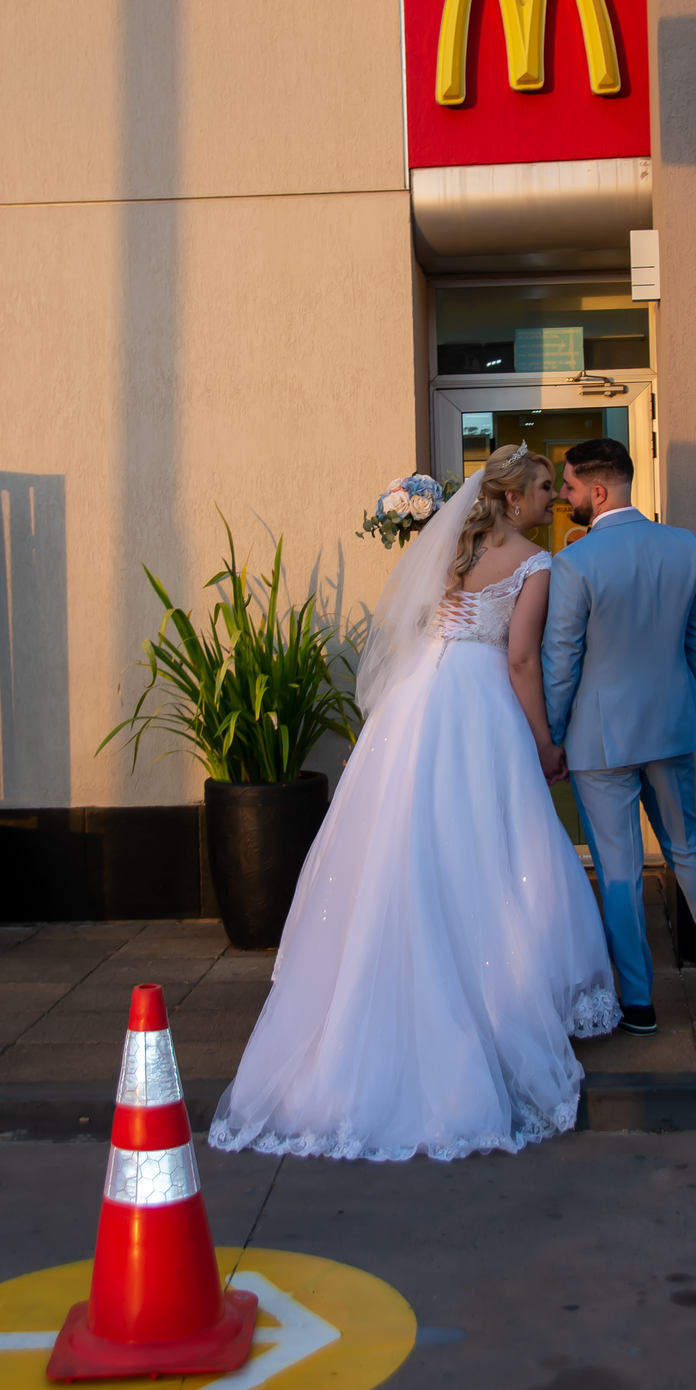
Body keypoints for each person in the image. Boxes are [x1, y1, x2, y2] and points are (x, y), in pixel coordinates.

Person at [209, 444, 619, 1164]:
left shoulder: (452, 550)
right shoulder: (535, 561)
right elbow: (521, 661)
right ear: (515, 497)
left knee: (404, 842)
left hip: (415, 704)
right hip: (479, 704)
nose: (555, 497)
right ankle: (492, 997)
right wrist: (545, 743)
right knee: (487, 848)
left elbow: (418, 629)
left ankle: (380, 982)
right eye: (546, 487)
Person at [542, 439, 696, 1032]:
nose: (565, 495)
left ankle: (638, 1001)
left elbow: (562, 661)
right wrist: (684, 705)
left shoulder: (575, 563)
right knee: (689, 848)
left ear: (599, 491)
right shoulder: (683, 546)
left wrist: (554, 736)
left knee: (619, 869)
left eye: (571, 486)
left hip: (598, 740)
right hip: (670, 727)